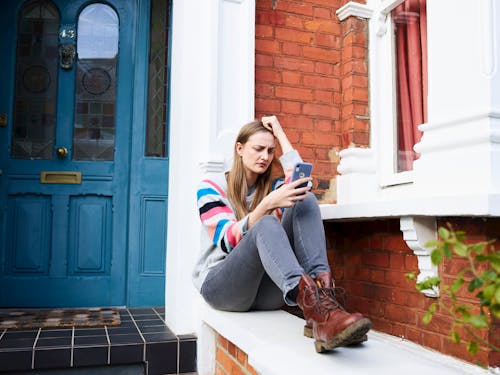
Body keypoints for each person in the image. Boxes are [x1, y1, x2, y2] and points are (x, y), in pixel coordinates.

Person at [192, 115, 371, 353]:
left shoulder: (272, 187)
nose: (265, 157)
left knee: (303, 198)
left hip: (265, 292)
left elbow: (303, 185)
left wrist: (279, 132)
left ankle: (322, 308)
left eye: (270, 150)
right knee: (265, 223)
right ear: (240, 149)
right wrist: (267, 205)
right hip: (223, 288)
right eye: (258, 149)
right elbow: (227, 241)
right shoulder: (211, 187)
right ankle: (319, 310)